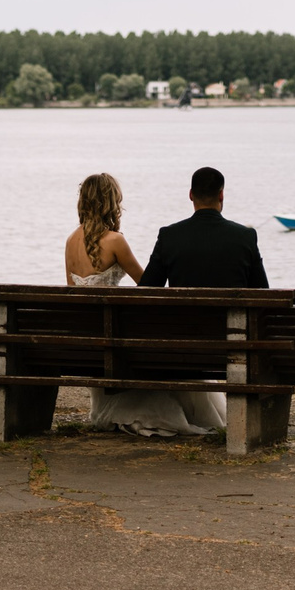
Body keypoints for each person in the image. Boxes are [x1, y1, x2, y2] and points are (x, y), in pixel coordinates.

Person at [61, 173, 222, 438]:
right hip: (112, 339)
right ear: (111, 202)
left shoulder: (70, 241)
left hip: (86, 338)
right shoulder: (114, 241)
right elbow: (147, 286)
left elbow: (72, 292)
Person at [139, 165, 268, 289]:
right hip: (230, 312)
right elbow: (262, 291)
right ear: (221, 195)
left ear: (190, 195)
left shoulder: (168, 236)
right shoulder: (246, 237)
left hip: (183, 312)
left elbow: (147, 288)